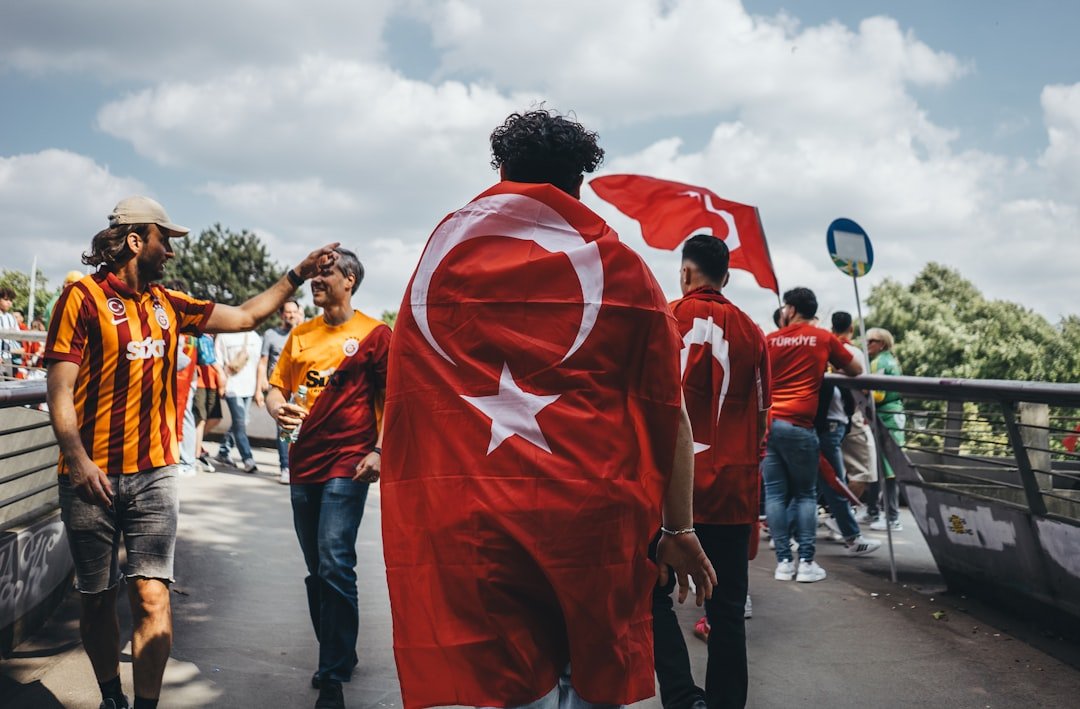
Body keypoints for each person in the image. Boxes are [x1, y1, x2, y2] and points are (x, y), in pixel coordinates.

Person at [381, 109, 716, 709]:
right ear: (578, 184)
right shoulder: (624, 271)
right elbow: (671, 411)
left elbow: (413, 393)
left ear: (503, 171)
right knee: (589, 677)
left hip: (476, 521)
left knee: (505, 687)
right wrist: (680, 528)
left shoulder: (441, 261)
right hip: (594, 525)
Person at [45, 194, 338, 709]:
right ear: (137, 241)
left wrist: (298, 272)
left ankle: (145, 705)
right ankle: (111, 695)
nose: (172, 253)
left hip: (155, 474)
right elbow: (59, 390)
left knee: (152, 594)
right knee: (96, 600)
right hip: (89, 477)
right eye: (166, 240)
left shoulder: (170, 304)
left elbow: (248, 316)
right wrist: (80, 458)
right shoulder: (81, 299)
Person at [265, 249, 388, 709]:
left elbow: (392, 396)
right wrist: (278, 408)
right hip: (304, 461)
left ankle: (332, 673)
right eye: (314, 274)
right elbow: (276, 388)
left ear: (350, 279)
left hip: (350, 460)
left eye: (326, 273)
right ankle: (342, 650)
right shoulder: (300, 335)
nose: (316, 280)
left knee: (335, 560)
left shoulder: (375, 335)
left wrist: (379, 450)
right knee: (318, 568)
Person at [652, 234, 770, 709]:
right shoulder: (753, 333)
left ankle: (683, 699)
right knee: (726, 612)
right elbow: (762, 415)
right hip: (731, 491)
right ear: (726, 278)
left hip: (667, 488)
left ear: (684, 273)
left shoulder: (664, 317)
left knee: (653, 594)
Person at [764, 288, 862, 584]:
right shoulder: (822, 338)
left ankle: (783, 563)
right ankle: (806, 563)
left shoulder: (769, 340)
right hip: (800, 426)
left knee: (775, 494)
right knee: (806, 495)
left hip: (768, 425)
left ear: (791, 310)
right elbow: (856, 370)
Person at [815, 311, 881, 557]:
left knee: (815, 481)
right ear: (851, 328)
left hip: (812, 420)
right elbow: (861, 381)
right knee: (856, 473)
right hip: (846, 418)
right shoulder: (849, 351)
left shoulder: (822, 345)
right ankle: (845, 525)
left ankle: (835, 523)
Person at [258, 298, 305, 483]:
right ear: (281, 314)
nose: (291, 315)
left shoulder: (305, 333)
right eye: (288, 312)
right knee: (283, 427)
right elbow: (263, 361)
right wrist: (260, 383)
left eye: (294, 312)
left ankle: (295, 465)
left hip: (301, 389)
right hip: (279, 387)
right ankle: (285, 467)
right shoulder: (271, 335)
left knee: (300, 429)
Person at [866, 327, 905, 531]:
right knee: (888, 468)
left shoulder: (879, 362)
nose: (867, 344)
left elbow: (878, 394)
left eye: (871, 340)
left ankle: (891, 517)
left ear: (881, 343)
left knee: (888, 469)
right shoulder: (891, 360)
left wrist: (861, 392)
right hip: (894, 416)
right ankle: (884, 513)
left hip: (886, 417)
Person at [214, 329, 262, 473]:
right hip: (232, 387)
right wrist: (222, 384)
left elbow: (260, 363)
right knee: (240, 423)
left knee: (241, 421)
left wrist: (260, 387)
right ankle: (248, 459)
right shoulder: (223, 336)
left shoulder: (254, 336)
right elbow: (217, 361)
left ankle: (223, 451)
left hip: (250, 386)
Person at [192, 333, 224, 472]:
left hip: (212, 381)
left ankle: (193, 444)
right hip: (200, 381)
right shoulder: (201, 334)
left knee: (215, 418)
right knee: (201, 419)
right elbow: (207, 357)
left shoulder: (214, 336)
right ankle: (196, 454)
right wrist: (221, 372)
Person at [0, 287, 20, 378]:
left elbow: (18, 336)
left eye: (11, 300)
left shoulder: (11, 318)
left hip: (8, 356)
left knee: (8, 383)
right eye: (6, 299)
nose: (9, 302)